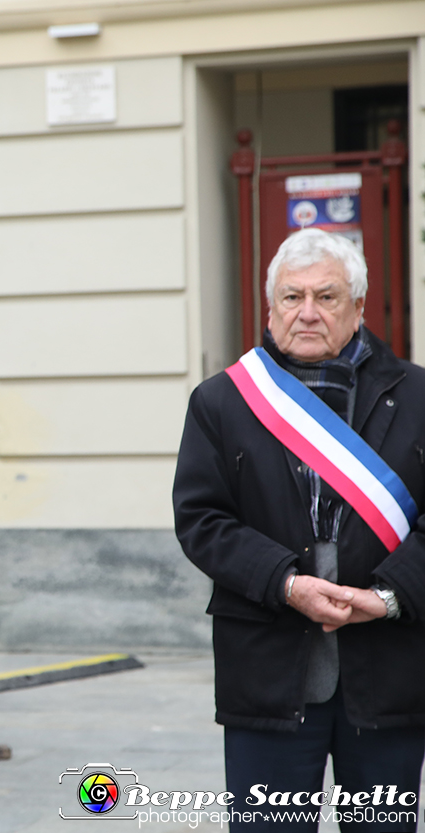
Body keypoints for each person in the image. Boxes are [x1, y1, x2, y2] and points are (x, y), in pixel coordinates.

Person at [174, 228, 425, 831]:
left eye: (327, 297)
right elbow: (201, 520)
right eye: (292, 298)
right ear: (270, 308)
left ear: (359, 308)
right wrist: (287, 583)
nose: (307, 313)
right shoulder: (223, 402)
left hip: (388, 673)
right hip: (267, 671)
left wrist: (387, 597)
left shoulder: (417, 395)